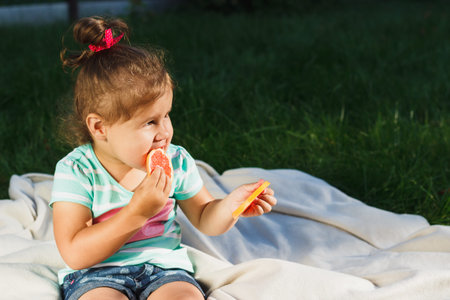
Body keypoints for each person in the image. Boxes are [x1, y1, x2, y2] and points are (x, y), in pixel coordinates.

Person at [50, 16, 277, 300]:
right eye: (149, 123)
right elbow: (75, 252)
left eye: (166, 115)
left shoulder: (176, 160)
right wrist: (137, 212)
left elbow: (205, 217)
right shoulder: (77, 170)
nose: (165, 132)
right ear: (99, 128)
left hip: (165, 269)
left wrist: (231, 205)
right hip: (96, 274)